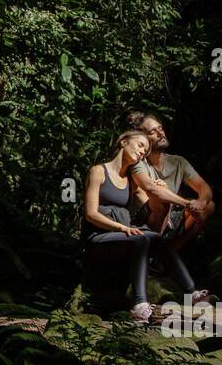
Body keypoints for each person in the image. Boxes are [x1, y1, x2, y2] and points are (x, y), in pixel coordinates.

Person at [83, 130, 212, 322]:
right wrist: (121, 228)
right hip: (98, 238)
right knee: (142, 238)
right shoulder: (98, 171)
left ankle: (194, 294)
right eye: (140, 145)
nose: (143, 151)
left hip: (122, 238)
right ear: (124, 142)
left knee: (156, 238)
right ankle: (139, 305)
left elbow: (150, 206)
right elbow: (91, 214)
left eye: (146, 150)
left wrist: (161, 189)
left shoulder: (131, 181)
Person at [125, 111, 215, 251]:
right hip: (145, 220)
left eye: (160, 128)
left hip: (171, 217)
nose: (161, 133)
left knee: (209, 206)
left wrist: (201, 202)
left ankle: (172, 250)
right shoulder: (138, 162)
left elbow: (204, 187)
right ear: (142, 137)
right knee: (161, 198)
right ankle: (153, 253)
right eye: (153, 131)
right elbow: (150, 188)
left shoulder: (178, 162)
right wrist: (187, 204)